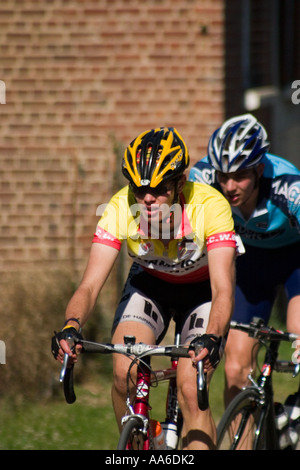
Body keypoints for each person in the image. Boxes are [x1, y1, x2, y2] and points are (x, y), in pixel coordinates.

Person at [52, 126, 238, 450]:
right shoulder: (121, 207)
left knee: (192, 390)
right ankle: (144, 446)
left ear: (180, 183)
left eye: (159, 188)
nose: (148, 198)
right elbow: (90, 285)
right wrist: (71, 325)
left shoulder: (210, 206)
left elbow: (223, 289)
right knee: (124, 371)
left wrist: (215, 335)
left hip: (201, 291)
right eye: (138, 189)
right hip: (150, 286)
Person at [189, 114, 300, 407]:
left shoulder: (288, 186)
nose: (229, 186)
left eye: (240, 176)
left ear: (260, 170)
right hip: (251, 263)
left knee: (298, 328)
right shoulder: (202, 180)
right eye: (223, 176)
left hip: (295, 259)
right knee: (236, 370)